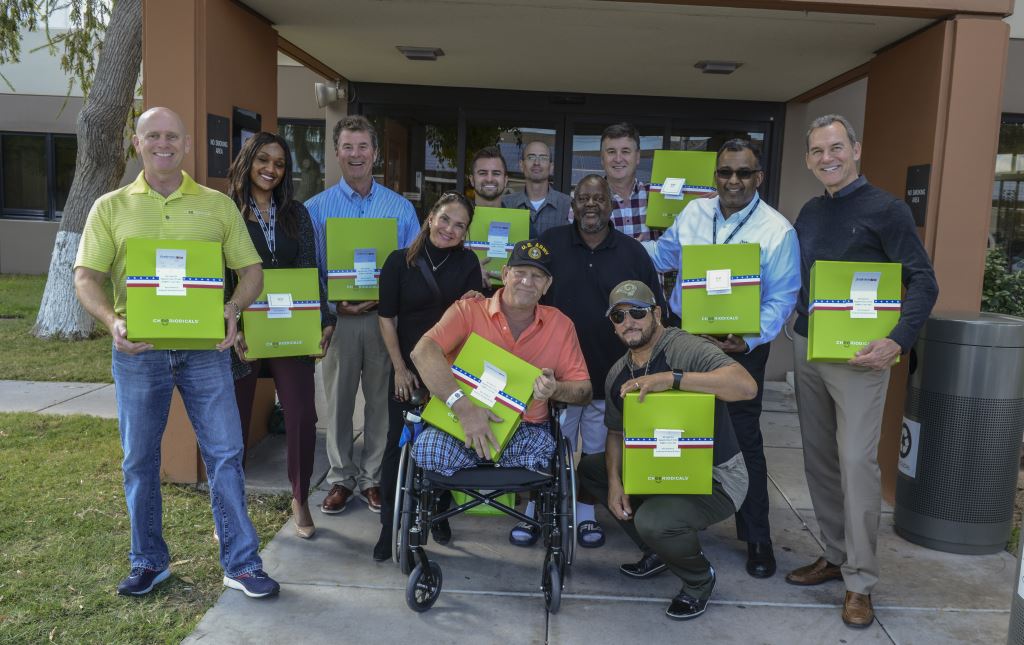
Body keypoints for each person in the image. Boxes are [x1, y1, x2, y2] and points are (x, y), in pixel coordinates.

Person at [74, 107, 280, 599]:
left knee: (225, 454)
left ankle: (241, 564)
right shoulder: (109, 207)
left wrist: (233, 308)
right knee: (139, 459)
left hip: (205, 350)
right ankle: (148, 562)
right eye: (153, 136)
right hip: (139, 353)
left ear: (187, 145)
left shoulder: (216, 206)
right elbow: (85, 277)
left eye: (172, 136)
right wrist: (113, 322)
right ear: (137, 143)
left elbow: (252, 272)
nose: (163, 144)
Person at [786, 114, 938, 628]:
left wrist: (896, 340)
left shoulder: (887, 210)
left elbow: (924, 282)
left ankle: (861, 582)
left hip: (861, 358)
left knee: (855, 462)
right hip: (809, 347)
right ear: (808, 160)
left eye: (836, 147)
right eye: (817, 151)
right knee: (819, 460)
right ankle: (835, 554)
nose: (827, 158)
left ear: (855, 150)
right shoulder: (810, 212)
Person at [643, 139, 800, 578]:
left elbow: (782, 297)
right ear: (715, 175)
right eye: (725, 172)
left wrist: (746, 339)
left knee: (743, 439)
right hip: (685, 339)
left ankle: (757, 537)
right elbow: (662, 256)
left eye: (743, 173)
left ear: (758, 177)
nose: (733, 180)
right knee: (678, 432)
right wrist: (613, 244)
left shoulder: (777, 230)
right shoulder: (695, 212)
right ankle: (667, 533)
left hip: (739, 348)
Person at [579, 280, 756, 620]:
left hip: (715, 476)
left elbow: (746, 387)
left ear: (657, 314)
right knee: (592, 469)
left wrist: (671, 379)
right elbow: (615, 432)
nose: (629, 322)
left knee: (654, 521)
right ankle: (658, 551)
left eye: (637, 312)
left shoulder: (684, 348)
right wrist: (614, 484)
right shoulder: (618, 373)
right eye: (618, 316)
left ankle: (699, 581)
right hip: (661, 465)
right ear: (612, 324)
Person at [507, 174, 664, 549]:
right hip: (553, 376)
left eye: (599, 198)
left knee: (595, 452)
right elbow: (523, 293)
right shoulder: (550, 243)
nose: (591, 204)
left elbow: (655, 315)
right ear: (572, 205)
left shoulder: (633, 253)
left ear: (611, 205)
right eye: (583, 198)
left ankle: (585, 513)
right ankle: (535, 511)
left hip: (609, 376)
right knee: (543, 446)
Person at [307, 115, 420, 515]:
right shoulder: (315, 209)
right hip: (337, 322)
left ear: (375, 153)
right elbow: (310, 270)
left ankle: (373, 478)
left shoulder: (400, 209)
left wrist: (385, 303)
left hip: (382, 322)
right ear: (336, 153)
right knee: (338, 403)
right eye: (347, 147)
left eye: (363, 147)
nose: (356, 154)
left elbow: (412, 267)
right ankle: (341, 478)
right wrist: (331, 306)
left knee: (380, 402)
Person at [226, 132, 336, 540]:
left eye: (279, 163)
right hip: (243, 328)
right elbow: (221, 274)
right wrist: (232, 324)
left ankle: (300, 496)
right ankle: (230, 506)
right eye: (263, 160)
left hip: (290, 327)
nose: (270, 169)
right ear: (247, 161)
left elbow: (310, 268)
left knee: (303, 414)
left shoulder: (296, 214)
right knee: (232, 421)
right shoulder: (227, 211)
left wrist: (324, 319)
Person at [408, 240, 592, 476]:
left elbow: (584, 391)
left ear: (547, 285)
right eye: (520, 273)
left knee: (543, 454)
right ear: (505, 274)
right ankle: (481, 477)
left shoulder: (561, 325)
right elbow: (422, 352)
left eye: (537, 276)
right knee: (428, 451)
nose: (527, 282)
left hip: (525, 429)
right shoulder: (468, 310)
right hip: (458, 419)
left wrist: (554, 389)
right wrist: (465, 409)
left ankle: (486, 476)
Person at [372, 192, 486, 561]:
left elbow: (475, 320)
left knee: (447, 443)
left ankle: (439, 510)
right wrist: (399, 368)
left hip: (450, 375)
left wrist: (478, 301)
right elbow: (386, 318)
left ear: (465, 232)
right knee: (397, 445)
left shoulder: (468, 263)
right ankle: (389, 526)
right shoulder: (398, 261)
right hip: (408, 370)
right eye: (445, 219)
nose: (450, 229)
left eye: (460, 225)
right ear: (431, 217)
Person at [570, 122, 656, 242]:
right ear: (602, 158)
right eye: (611, 152)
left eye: (625, 151)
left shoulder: (655, 196)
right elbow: (576, 246)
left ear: (637, 157)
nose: (618, 159)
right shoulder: (583, 201)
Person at [502, 140, 572, 237]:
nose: (537, 163)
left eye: (543, 158)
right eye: (531, 157)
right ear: (521, 165)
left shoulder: (568, 205)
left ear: (551, 166)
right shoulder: (505, 204)